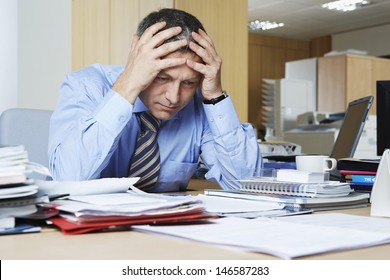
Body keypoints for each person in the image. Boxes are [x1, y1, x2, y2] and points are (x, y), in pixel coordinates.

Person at [48, 8, 262, 192]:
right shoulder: (85, 86)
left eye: (188, 83)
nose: (173, 97)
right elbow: (68, 180)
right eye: (162, 77)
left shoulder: (199, 104)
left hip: (164, 229)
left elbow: (246, 185)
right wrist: (129, 85)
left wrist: (215, 96)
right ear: (137, 51)